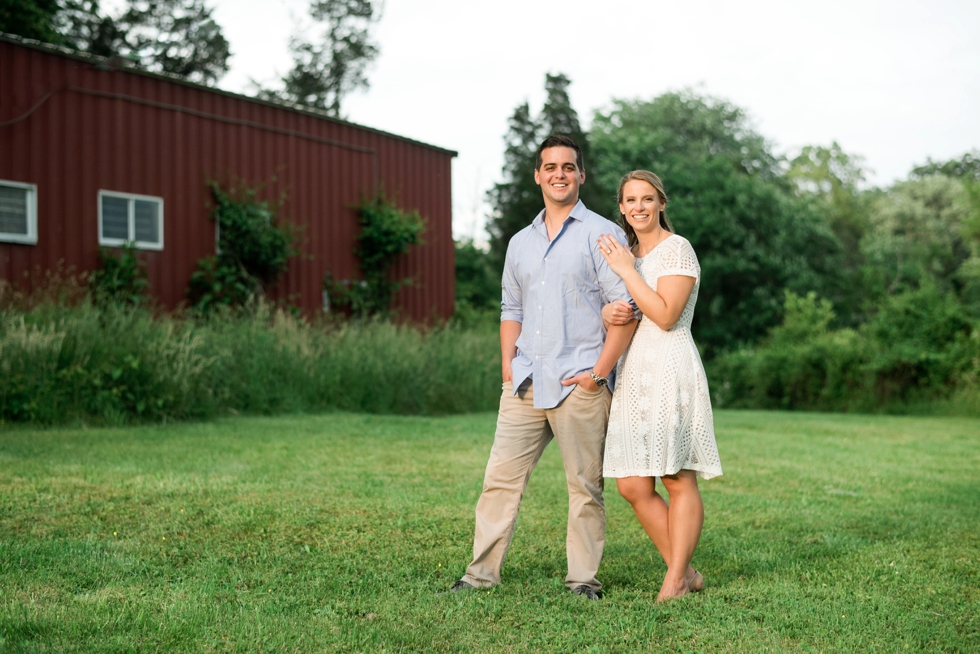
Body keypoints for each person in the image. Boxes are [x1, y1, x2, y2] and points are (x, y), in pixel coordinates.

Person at [450, 135, 637, 600]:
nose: (559, 174)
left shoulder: (602, 234)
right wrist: (508, 369)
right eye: (550, 167)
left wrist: (598, 374)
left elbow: (626, 307)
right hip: (525, 383)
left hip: (580, 383)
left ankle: (582, 581)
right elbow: (510, 308)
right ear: (538, 175)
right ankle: (479, 576)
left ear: (581, 175)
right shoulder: (520, 243)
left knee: (584, 488)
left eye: (568, 167)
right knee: (499, 482)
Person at [597, 170, 723, 602]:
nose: (638, 207)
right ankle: (686, 570)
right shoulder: (627, 255)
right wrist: (608, 314)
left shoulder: (677, 250)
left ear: (661, 203)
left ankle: (675, 580)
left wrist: (628, 273)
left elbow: (666, 315)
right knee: (632, 484)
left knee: (676, 475)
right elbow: (629, 315)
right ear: (621, 207)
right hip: (634, 371)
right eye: (630, 200)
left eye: (647, 199)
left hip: (670, 364)